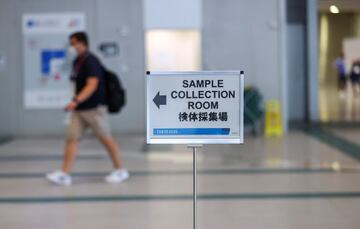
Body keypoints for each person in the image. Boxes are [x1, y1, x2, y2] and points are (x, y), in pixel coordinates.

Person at [46, 32, 129, 186]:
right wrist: (75, 103)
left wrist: (76, 100)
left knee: (106, 139)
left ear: (82, 43)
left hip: (94, 109)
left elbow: (92, 84)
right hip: (79, 110)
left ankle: (120, 170)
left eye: (73, 43)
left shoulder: (91, 61)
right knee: (72, 139)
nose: (70, 47)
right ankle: (64, 174)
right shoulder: (77, 61)